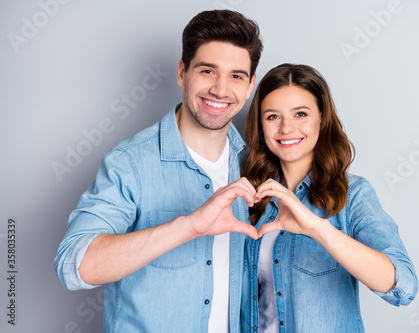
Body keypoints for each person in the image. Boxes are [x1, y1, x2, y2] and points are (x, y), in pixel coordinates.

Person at [54, 10, 263, 332]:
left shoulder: (256, 165)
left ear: (250, 86)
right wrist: (188, 227)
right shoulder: (130, 163)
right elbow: (74, 266)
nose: (221, 90)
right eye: (208, 71)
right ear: (182, 72)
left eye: (236, 76)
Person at [240, 63, 418, 332]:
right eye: (273, 117)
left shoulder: (353, 194)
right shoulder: (250, 197)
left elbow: (403, 286)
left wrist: (316, 228)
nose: (286, 128)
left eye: (300, 114)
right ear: (261, 126)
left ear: (321, 119)